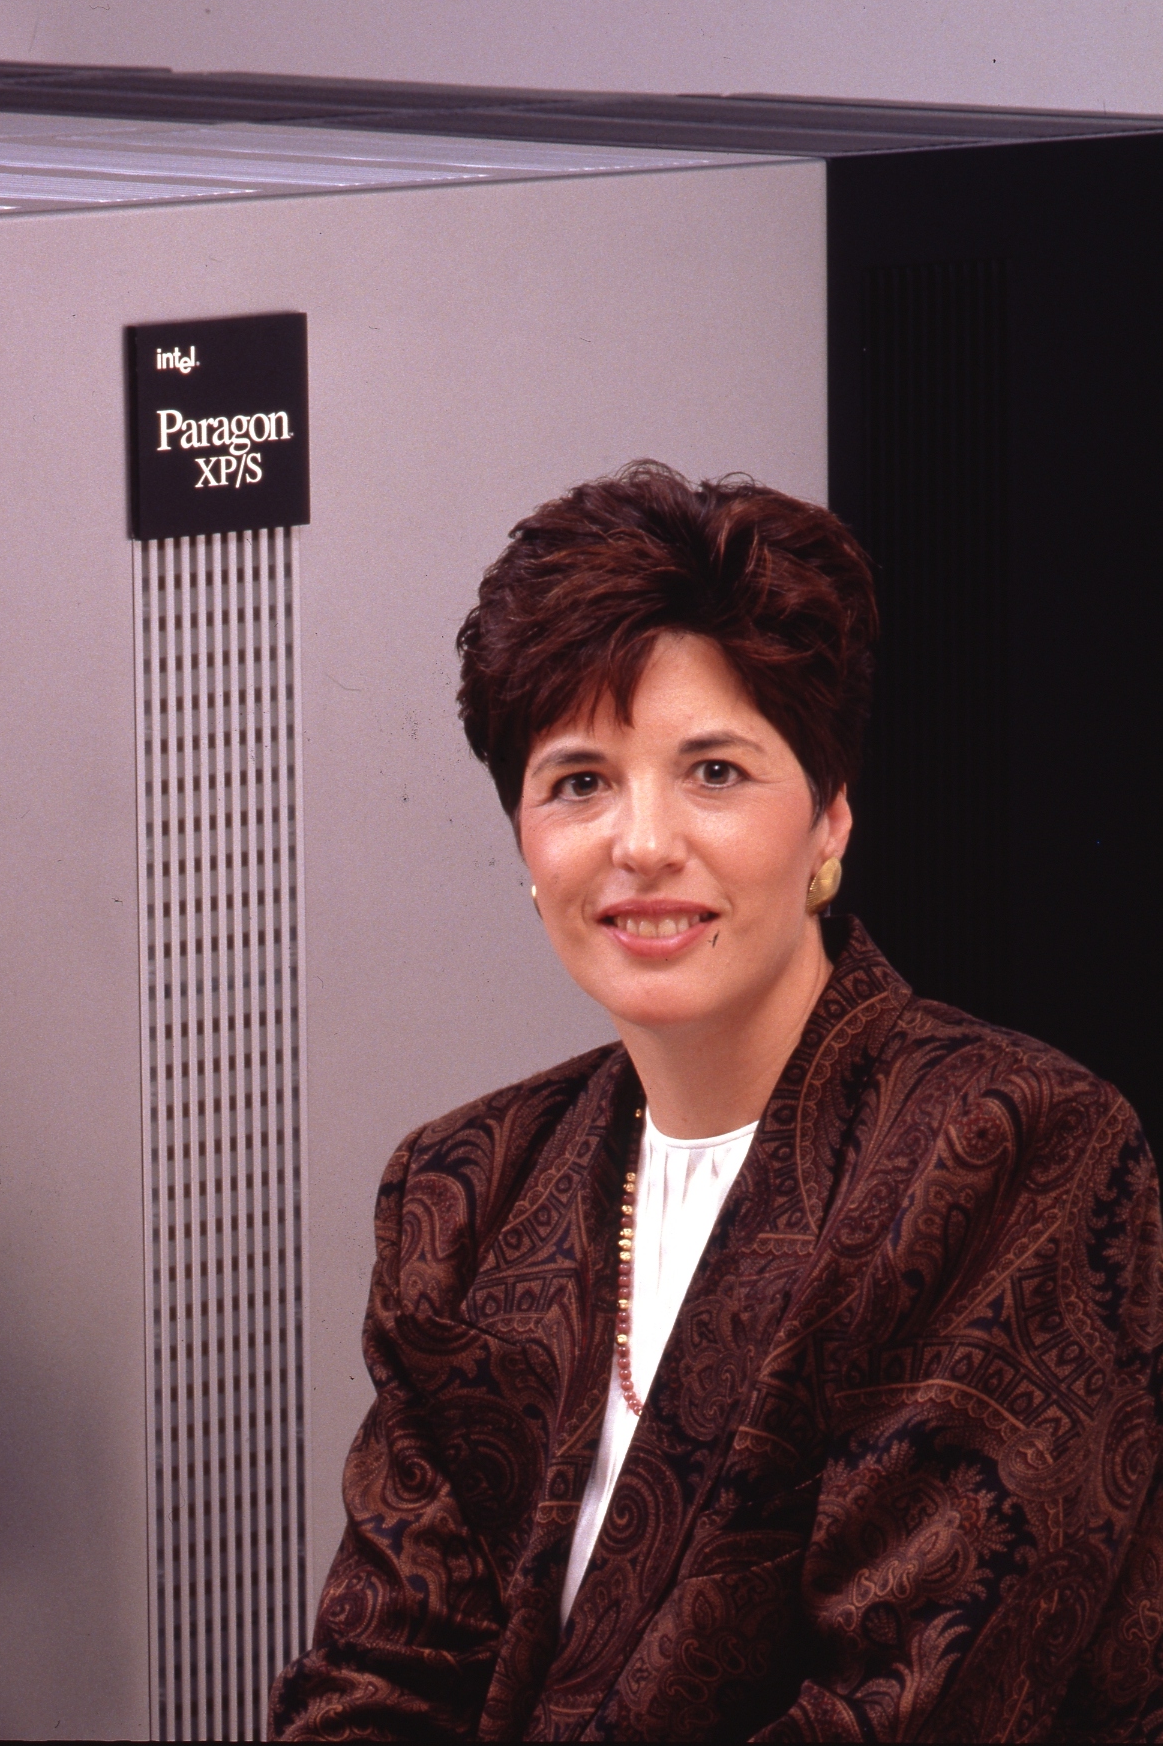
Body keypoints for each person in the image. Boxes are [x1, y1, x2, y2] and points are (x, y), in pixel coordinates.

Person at [272, 464, 1163, 1740]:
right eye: (579, 780)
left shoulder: (1009, 1146)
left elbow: (903, 1710)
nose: (642, 842)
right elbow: (375, 1680)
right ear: (525, 842)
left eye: (715, 770)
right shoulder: (462, 1192)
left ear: (830, 819)